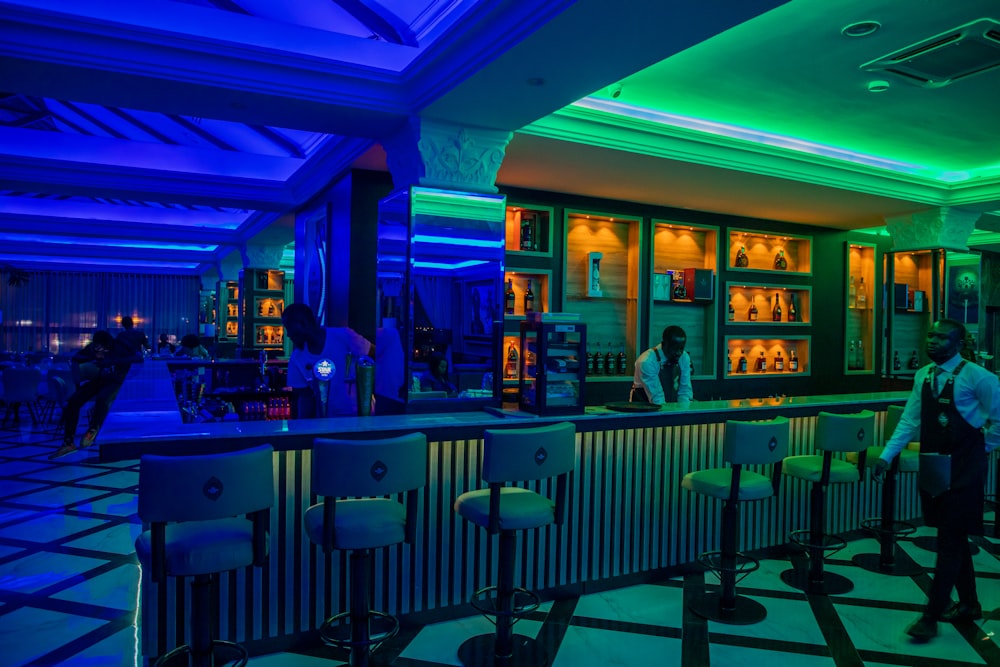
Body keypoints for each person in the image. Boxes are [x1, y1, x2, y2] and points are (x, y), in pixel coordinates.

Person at [873, 318, 1000, 640]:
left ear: (958, 344)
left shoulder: (978, 376)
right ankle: (969, 603)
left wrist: (980, 447)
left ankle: (929, 617)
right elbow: (909, 420)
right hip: (934, 466)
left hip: (965, 469)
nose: (933, 341)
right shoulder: (923, 375)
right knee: (951, 536)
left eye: (942, 338)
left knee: (949, 541)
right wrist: (887, 455)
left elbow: (999, 419)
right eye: (931, 335)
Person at [281, 303, 374, 418]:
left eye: (289, 327)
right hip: (326, 424)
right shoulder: (296, 359)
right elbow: (302, 397)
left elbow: (374, 355)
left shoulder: (344, 336)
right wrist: (300, 429)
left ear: (304, 323)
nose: (288, 334)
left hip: (360, 419)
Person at [49, 330, 132, 458]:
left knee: (102, 398)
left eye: (104, 347)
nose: (101, 349)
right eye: (98, 346)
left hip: (116, 381)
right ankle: (68, 443)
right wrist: (93, 357)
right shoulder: (94, 348)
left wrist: (111, 361)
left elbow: (137, 357)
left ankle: (93, 428)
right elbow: (77, 358)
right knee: (73, 402)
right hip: (99, 379)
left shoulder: (119, 346)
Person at [630, 325, 693, 407]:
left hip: (670, 408)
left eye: (681, 348)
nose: (678, 353)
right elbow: (657, 399)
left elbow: (685, 391)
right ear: (664, 344)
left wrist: (684, 413)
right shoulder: (647, 361)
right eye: (674, 349)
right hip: (643, 410)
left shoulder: (684, 357)